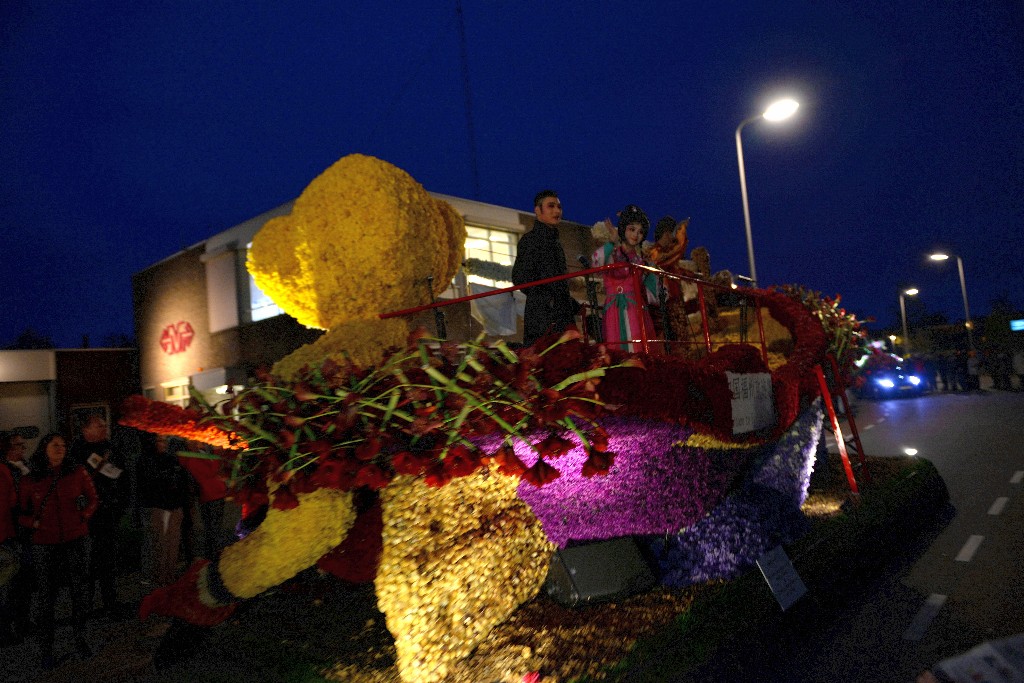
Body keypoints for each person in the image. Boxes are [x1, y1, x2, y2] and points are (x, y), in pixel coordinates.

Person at [18, 433, 98, 669]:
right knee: (47, 598)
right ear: (44, 448)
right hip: (45, 543)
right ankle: (47, 649)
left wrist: (84, 515)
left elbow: (93, 498)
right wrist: (32, 523)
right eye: (55, 445)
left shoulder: (77, 472)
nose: (60, 449)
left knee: (79, 593)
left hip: (75, 539)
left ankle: (80, 638)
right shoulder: (31, 479)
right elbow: (21, 512)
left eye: (63, 445)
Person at [68, 414, 129, 618]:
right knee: (86, 562)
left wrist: (120, 505)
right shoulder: (76, 452)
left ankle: (110, 601)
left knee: (108, 560)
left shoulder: (112, 449)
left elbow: (123, 477)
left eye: (105, 425)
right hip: (87, 516)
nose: (104, 429)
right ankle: (85, 605)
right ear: (86, 429)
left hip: (108, 512)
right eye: (99, 426)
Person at [511, 190, 581, 347]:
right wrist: (547, 297)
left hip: (561, 315)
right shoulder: (530, 240)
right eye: (551, 206)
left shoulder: (555, 241)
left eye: (559, 206)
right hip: (543, 318)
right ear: (538, 210)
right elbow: (520, 278)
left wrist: (568, 302)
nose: (557, 211)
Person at [591, 205, 658, 353]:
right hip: (614, 308)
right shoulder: (611, 253)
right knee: (616, 348)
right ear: (623, 229)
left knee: (637, 348)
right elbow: (596, 263)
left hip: (635, 308)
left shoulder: (642, 261)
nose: (636, 235)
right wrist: (611, 242)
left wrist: (651, 271)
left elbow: (653, 294)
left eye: (640, 232)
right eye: (631, 229)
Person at [137, 434, 189, 585]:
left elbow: (181, 479)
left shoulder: (171, 459)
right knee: (159, 543)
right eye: (160, 441)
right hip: (158, 506)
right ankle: (158, 576)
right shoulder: (145, 460)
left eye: (165, 441)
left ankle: (169, 574)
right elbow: (148, 484)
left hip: (173, 505)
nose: (164, 444)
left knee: (172, 542)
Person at [0, 431, 34, 646]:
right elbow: (10, 504)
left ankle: (21, 621)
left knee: (22, 581)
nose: (23, 450)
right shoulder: (4, 472)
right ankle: (6, 630)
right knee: (8, 584)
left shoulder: (23, 467)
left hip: (21, 532)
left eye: (23, 445)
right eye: (18, 446)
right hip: (9, 533)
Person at [649, 215, 698, 348]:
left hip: (675, 303)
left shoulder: (665, 254)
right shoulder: (654, 253)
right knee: (672, 343)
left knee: (682, 341)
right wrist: (682, 233)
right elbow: (675, 252)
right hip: (663, 307)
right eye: (673, 234)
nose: (673, 239)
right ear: (666, 233)